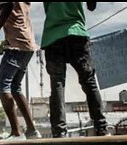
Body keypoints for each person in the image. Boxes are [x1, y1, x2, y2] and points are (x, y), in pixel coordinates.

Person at [41, 2, 109, 138]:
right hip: (76, 33)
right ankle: (102, 129)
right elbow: (91, 6)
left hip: (53, 36)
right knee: (88, 80)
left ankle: (59, 132)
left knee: (57, 84)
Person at [0, 2, 41, 140]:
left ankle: (16, 132)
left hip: (18, 43)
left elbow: (8, 7)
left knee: (1, 86)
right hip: (26, 42)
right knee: (14, 87)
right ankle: (32, 130)